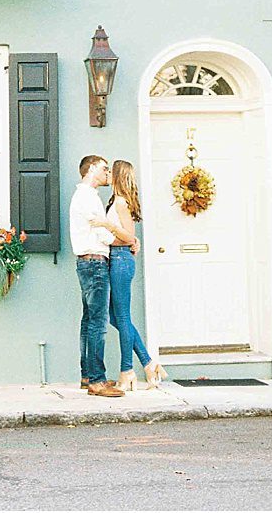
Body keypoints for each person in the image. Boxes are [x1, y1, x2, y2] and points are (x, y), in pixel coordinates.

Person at [71, 155, 139, 397]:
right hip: (95, 262)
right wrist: (127, 241)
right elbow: (103, 235)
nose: (107, 173)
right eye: (103, 168)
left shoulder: (87, 196)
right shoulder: (88, 197)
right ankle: (97, 381)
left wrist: (126, 239)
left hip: (88, 262)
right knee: (98, 323)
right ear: (90, 169)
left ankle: (87, 375)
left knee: (89, 320)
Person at [107, 159, 168, 390]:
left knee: (121, 317)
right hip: (118, 258)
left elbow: (128, 236)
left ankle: (126, 371)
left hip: (121, 259)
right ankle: (148, 363)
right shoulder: (116, 201)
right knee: (115, 317)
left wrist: (105, 233)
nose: (108, 174)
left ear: (118, 176)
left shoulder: (121, 203)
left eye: (111, 171)